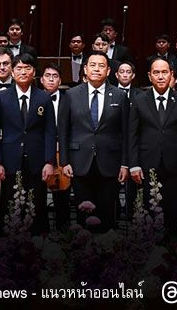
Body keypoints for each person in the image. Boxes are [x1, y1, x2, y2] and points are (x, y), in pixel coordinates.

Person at [59, 52, 130, 232]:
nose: (97, 69)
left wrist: (124, 164)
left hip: (110, 163)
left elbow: (125, 133)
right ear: (85, 69)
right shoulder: (71, 94)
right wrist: (64, 161)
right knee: (83, 215)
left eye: (101, 66)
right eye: (92, 65)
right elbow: (63, 130)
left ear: (108, 71)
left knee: (107, 216)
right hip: (79, 162)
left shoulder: (120, 96)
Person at [0, 54, 56, 231]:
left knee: (37, 208)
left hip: (37, 163)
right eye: (19, 68)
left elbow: (50, 132)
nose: (23, 72)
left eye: (27, 68)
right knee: (11, 208)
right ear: (12, 71)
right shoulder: (1, 97)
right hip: (9, 162)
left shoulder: (44, 98)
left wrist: (49, 162)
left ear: (34, 72)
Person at [128, 58, 177, 227]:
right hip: (147, 164)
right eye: (156, 72)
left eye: (164, 72)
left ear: (171, 75)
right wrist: (133, 165)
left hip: (175, 166)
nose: (160, 76)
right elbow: (133, 134)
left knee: (174, 215)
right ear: (149, 76)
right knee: (148, 215)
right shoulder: (139, 100)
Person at [38, 64, 72, 230]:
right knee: (38, 198)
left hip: (63, 154)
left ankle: (63, 236)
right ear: (41, 79)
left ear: (60, 80)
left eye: (55, 76)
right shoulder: (34, 98)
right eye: (48, 75)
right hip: (40, 154)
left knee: (63, 200)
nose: (51, 79)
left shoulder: (69, 99)